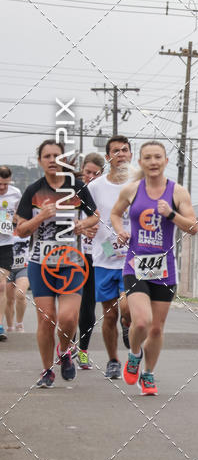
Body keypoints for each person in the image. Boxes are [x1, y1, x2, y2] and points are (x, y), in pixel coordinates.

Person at [110, 141, 197, 395]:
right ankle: (134, 354)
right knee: (141, 323)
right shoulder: (131, 190)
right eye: (147, 157)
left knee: (156, 328)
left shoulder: (178, 192)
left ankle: (148, 374)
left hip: (165, 269)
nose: (153, 162)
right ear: (141, 162)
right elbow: (115, 214)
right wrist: (120, 231)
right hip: (135, 266)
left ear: (166, 161)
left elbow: (193, 227)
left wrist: (171, 214)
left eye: (158, 157)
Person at [15, 140, 98, 388]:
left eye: (57, 156)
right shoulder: (33, 191)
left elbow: (95, 215)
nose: (52, 160)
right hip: (40, 263)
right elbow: (20, 230)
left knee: (68, 318)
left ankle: (64, 352)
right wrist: (40, 216)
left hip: (71, 262)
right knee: (47, 317)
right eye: (47, 156)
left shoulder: (78, 187)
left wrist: (83, 225)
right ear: (40, 160)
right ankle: (46, 369)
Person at [87, 136, 133, 380]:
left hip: (135, 259)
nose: (121, 154)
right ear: (107, 158)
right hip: (105, 257)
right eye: (115, 151)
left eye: (125, 150)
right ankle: (113, 360)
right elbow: (83, 215)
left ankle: (129, 326)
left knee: (130, 310)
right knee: (109, 314)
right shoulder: (95, 187)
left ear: (131, 155)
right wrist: (84, 226)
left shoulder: (142, 183)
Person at [75, 153, 103, 369]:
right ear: (81, 171)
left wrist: (108, 249)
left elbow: (112, 227)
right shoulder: (73, 191)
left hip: (96, 255)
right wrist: (83, 226)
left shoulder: (105, 193)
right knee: (69, 306)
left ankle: (83, 350)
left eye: (95, 173)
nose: (91, 177)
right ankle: (66, 347)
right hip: (74, 254)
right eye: (88, 172)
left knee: (88, 306)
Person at [0, 166, 23, 340]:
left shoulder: (15, 193)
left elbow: (21, 216)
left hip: (6, 245)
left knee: (1, 286)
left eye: (5, 184)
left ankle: (0, 326)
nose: (2, 188)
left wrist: (15, 218)